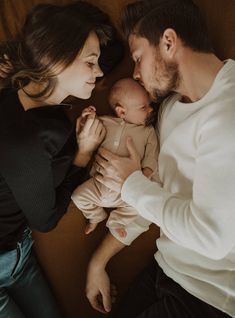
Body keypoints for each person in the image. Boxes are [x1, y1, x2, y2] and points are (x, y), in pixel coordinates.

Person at [85, 0, 235, 317]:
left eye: (138, 58)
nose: (135, 73)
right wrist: (99, 262)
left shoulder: (228, 113)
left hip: (210, 296)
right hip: (166, 268)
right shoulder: (168, 108)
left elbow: (212, 238)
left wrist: (130, 183)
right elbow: (154, 198)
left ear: (168, 42)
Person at [0, 1, 123, 317]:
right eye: (91, 62)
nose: (98, 71)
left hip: (18, 251)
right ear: (56, 59)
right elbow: (47, 219)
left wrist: (82, 27)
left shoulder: (23, 88)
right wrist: (82, 155)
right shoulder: (24, 138)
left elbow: (112, 54)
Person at [71, 78, 158, 238]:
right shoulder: (105, 122)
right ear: (122, 112)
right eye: (143, 107)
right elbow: (89, 131)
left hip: (126, 190)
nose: (150, 110)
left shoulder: (147, 131)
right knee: (77, 196)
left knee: (138, 206)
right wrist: (87, 119)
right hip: (97, 185)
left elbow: (152, 151)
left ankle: (117, 220)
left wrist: (147, 171)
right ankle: (96, 215)